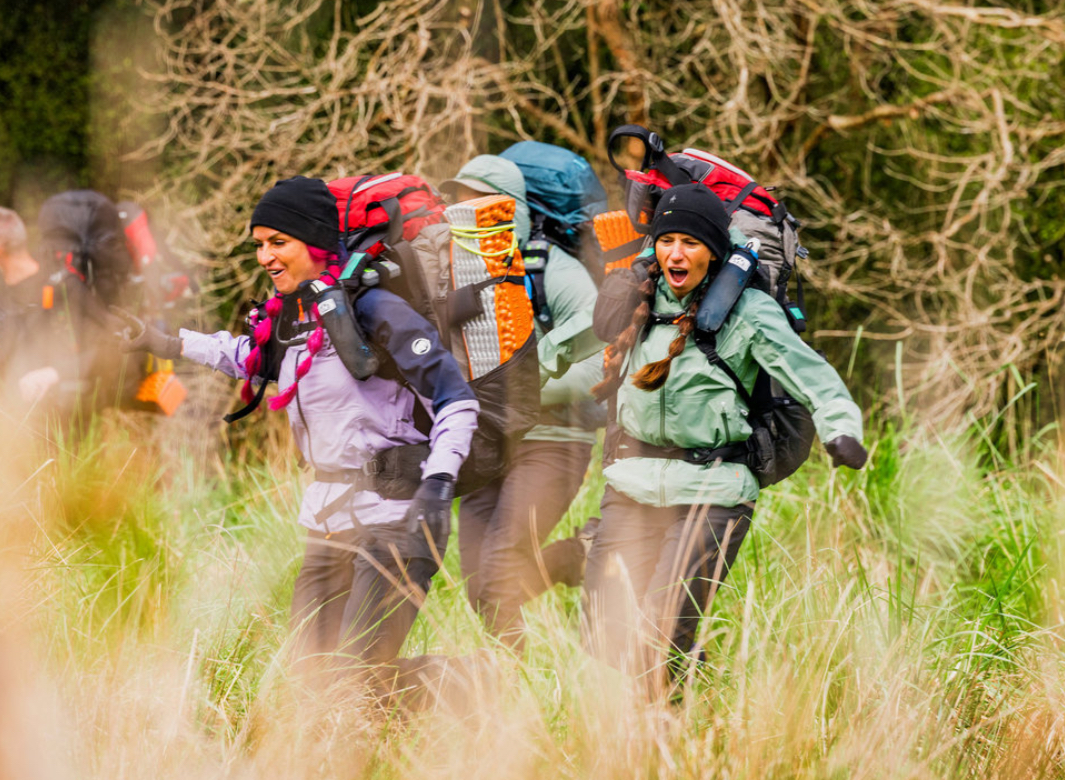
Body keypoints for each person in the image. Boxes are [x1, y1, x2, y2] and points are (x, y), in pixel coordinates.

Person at [120, 176, 480, 697]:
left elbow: (456, 399)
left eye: (278, 242)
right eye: (259, 244)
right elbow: (250, 357)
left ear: (314, 240)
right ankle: (445, 699)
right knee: (308, 687)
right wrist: (167, 342)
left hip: (398, 515)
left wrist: (439, 485)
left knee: (351, 683)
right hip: (327, 520)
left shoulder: (375, 309)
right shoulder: (293, 316)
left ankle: (468, 684)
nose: (265, 256)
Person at [582, 184, 868, 691]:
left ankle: (667, 723)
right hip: (631, 484)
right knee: (606, 633)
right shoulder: (637, 302)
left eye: (690, 243)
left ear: (713, 250)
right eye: (667, 241)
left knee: (658, 631)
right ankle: (687, 680)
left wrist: (840, 427)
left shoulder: (748, 312)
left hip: (713, 490)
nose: (676, 254)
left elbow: (810, 375)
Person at [440, 155, 605, 648]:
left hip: (553, 440)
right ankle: (571, 559)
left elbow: (598, 367)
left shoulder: (557, 273)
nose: (467, 214)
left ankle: (509, 684)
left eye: (479, 203)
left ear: (512, 210)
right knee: (479, 583)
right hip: (488, 443)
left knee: (499, 569)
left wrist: (516, 392)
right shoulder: (452, 274)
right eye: (460, 203)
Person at [0, 205, 127, 418]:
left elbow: (108, 345)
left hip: (63, 417)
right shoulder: (4, 291)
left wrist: (54, 373)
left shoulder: (63, 286)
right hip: (12, 418)